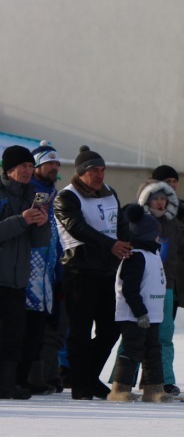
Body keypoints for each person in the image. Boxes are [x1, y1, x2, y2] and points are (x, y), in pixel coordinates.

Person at [55, 146, 128, 400]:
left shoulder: (110, 194)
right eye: (93, 171)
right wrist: (112, 245)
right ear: (81, 173)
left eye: (102, 170)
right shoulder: (67, 197)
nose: (99, 175)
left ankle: (86, 376)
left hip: (106, 271)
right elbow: (78, 228)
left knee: (111, 329)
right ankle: (80, 385)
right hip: (79, 271)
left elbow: (119, 226)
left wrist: (129, 243)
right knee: (80, 331)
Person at [106, 204, 171, 402]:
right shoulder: (136, 257)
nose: (158, 236)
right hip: (135, 315)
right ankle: (120, 387)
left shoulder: (153, 255)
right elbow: (129, 289)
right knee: (132, 349)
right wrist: (140, 312)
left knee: (153, 351)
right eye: (155, 232)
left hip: (152, 315)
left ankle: (153, 389)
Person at [1, 145, 50, 399]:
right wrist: (22, 220)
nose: (28, 171)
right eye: (23, 166)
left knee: (13, 336)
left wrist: (41, 223)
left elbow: (41, 241)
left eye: (31, 166)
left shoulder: (33, 195)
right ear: (9, 170)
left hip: (18, 280)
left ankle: (7, 385)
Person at [137, 181, 184, 397]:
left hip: (165, 284)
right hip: (139, 285)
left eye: (163, 198)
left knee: (165, 334)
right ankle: (123, 379)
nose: (159, 203)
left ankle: (165, 380)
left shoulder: (173, 223)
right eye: (155, 198)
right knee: (134, 333)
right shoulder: (136, 222)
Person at [23, 142, 63, 394]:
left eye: (56, 164)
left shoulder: (54, 193)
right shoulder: (29, 192)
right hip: (27, 269)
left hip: (49, 269)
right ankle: (27, 376)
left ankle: (40, 375)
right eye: (49, 163)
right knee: (27, 326)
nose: (54, 168)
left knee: (43, 326)